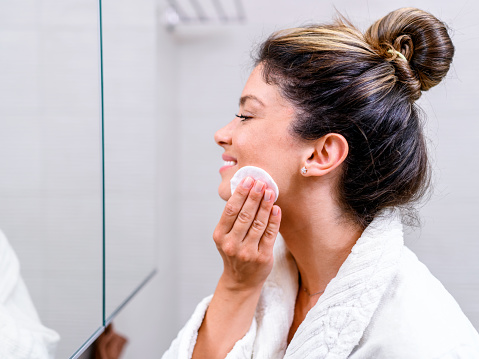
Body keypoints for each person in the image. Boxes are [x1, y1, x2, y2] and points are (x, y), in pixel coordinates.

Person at [163, 7, 479, 358]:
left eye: (246, 115)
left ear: (321, 154)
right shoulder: (268, 281)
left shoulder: (425, 341)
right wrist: (237, 286)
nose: (222, 135)